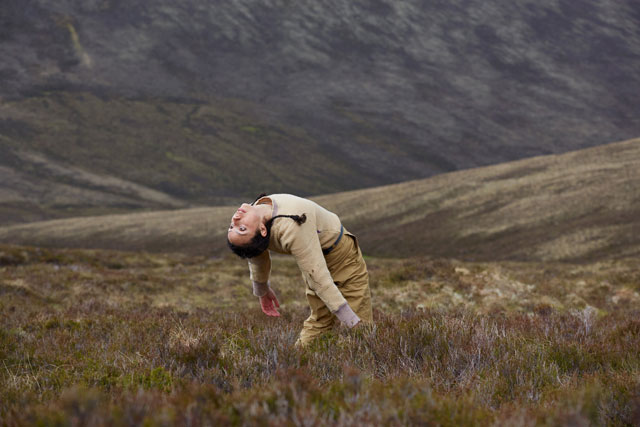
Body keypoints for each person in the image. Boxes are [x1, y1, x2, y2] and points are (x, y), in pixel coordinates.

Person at [226, 193, 372, 346]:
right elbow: (257, 255)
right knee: (345, 320)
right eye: (240, 228)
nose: (235, 220)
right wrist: (353, 322)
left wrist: (350, 321)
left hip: (332, 252)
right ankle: (304, 362)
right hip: (328, 256)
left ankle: (298, 360)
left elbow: (255, 251)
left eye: (232, 227)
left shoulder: (258, 211)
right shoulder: (290, 225)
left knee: (331, 319)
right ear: (263, 230)